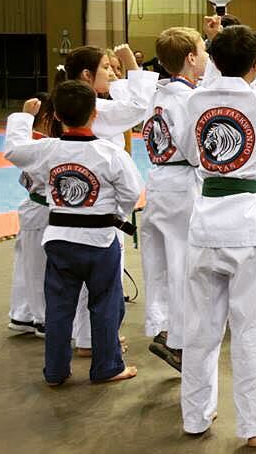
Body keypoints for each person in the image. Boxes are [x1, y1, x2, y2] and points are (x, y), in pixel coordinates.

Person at [175, 2, 256, 446]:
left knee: (200, 330)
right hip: (246, 230)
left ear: (212, 62)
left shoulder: (195, 100)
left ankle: (195, 416)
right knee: (251, 328)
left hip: (204, 224)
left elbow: (191, 154)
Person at [5, 82, 142, 385]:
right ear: (95, 114)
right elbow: (132, 192)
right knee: (106, 302)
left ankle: (55, 372)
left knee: (58, 307)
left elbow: (14, 150)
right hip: (100, 240)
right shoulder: (110, 153)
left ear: (55, 116)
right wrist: (115, 215)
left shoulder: (48, 149)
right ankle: (107, 367)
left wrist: (23, 118)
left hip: (60, 239)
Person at [56, 45, 159, 356]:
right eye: (106, 68)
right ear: (87, 75)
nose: (112, 74)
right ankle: (94, 341)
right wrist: (131, 61)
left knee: (81, 283)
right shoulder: (95, 110)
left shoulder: (70, 103)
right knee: (101, 280)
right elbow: (139, 106)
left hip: (73, 206)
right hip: (102, 207)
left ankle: (88, 338)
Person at [140, 27, 209, 372]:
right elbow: (196, 152)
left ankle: (163, 326)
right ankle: (181, 340)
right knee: (184, 264)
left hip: (158, 180)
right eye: (203, 50)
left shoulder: (160, 94)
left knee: (160, 263)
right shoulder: (187, 100)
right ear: (191, 59)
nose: (207, 57)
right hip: (182, 182)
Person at [7, 93, 59, 339]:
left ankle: (22, 314)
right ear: (47, 117)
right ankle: (42, 319)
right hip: (40, 212)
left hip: (33, 210)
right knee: (39, 268)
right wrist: (25, 116)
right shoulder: (40, 145)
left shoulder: (40, 142)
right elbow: (14, 148)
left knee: (26, 265)